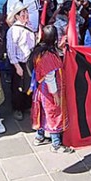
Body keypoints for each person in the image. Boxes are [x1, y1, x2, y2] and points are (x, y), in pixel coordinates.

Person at [29, 25, 74, 154]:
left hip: (40, 90)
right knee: (53, 114)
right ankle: (56, 144)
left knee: (41, 113)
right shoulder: (48, 56)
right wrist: (55, 94)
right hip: (49, 91)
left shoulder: (38, 50)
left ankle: (39, 136)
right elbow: (50, 77)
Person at [6, 2, 36, 120]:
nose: (25, 15)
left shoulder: (29, 25)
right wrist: (17, 66)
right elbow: (11, 50)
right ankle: (17, 108)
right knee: (18, 87)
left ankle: (27, 106)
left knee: (29, 85)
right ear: (17, 16)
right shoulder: (13, 31)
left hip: (29, 61)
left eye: (26, 12)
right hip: (19, 62)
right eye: (22, 13)